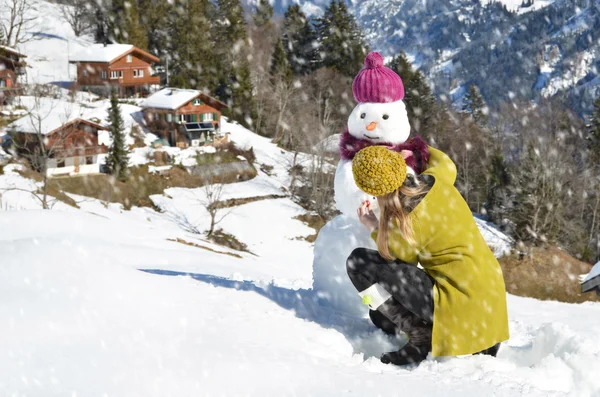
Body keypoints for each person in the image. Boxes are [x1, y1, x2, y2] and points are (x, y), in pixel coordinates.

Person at [346, 145, 510, 366]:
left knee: (358, 263)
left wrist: (373, 226)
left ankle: (421, 337)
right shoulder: (437, 179)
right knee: (379, 316)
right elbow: (446, 162)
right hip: (488, 313)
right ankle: (427, 328)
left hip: (458, 305)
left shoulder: (408, 221)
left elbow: (396, 261)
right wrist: (411, 148)